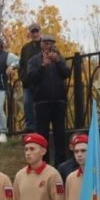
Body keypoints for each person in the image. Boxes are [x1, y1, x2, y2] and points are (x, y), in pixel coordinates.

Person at [25, 34, 70, 164]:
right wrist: (43, 66)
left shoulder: (59, 58)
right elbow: (31, 78)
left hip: (59, 101)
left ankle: (60, 163)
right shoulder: (34, 60)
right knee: (42, 135)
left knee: (60, 134)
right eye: (46, 43)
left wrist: (59, 62)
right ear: (41, 44)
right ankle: (43, 162)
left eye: (51, 43)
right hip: (41, 102)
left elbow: (67, 73)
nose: (48, 46)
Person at [18, 24, 43, 131]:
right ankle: (30, 126)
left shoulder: (44, 45)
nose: (34, 33)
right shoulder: (25, 48)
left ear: (40, 31)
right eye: (32, 31)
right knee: (27, 104)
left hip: (41, 81)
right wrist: (23, 77)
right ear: (30, 33)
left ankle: (40, 126)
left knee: (40, 105)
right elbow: (21, 64)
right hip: (28, 82)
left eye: (36, 31)